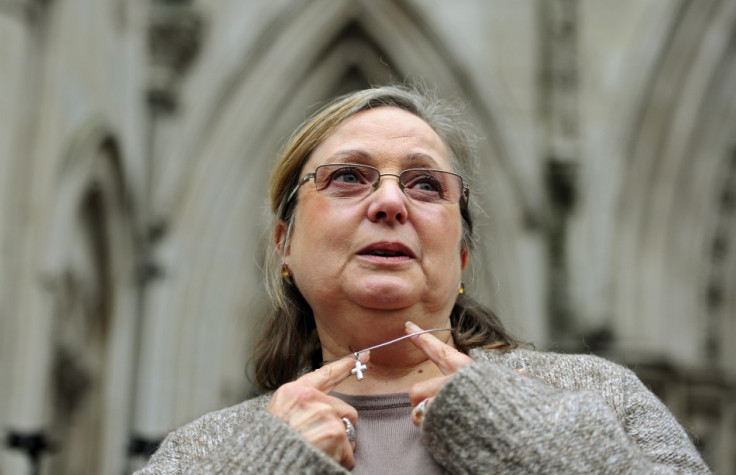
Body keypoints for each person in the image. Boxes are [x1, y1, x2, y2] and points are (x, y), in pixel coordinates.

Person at [135, 85, 710, 474]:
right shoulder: (202, 452)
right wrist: (267, 461)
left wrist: (536, 444)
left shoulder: (598, 394)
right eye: (348, 177)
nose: (389, 201)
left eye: (426, 185)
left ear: (461, 256)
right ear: (284, 244)